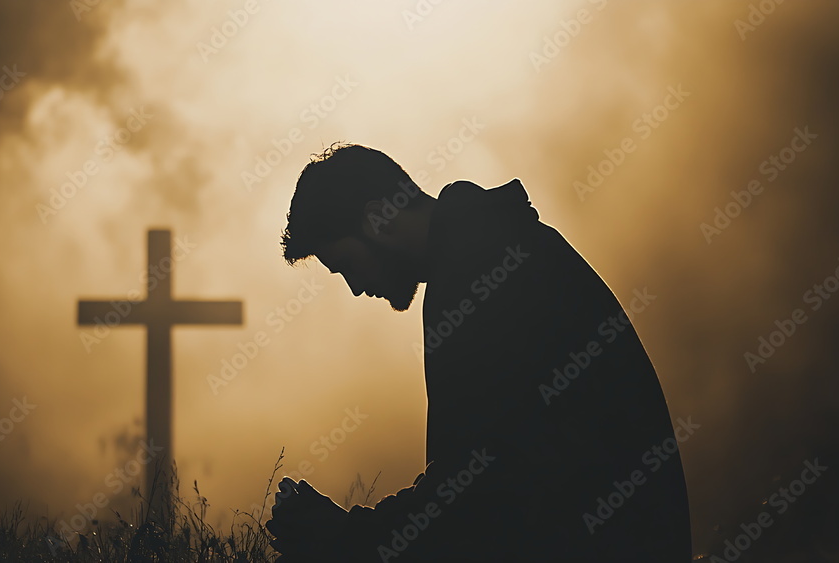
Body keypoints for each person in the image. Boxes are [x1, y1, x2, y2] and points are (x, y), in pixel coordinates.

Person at [266, 143, 691, 561]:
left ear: (379, 218)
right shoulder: (496, 250)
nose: (356, 288)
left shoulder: (478, 277)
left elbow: (480, 496)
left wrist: (346, 537)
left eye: (346, 265)